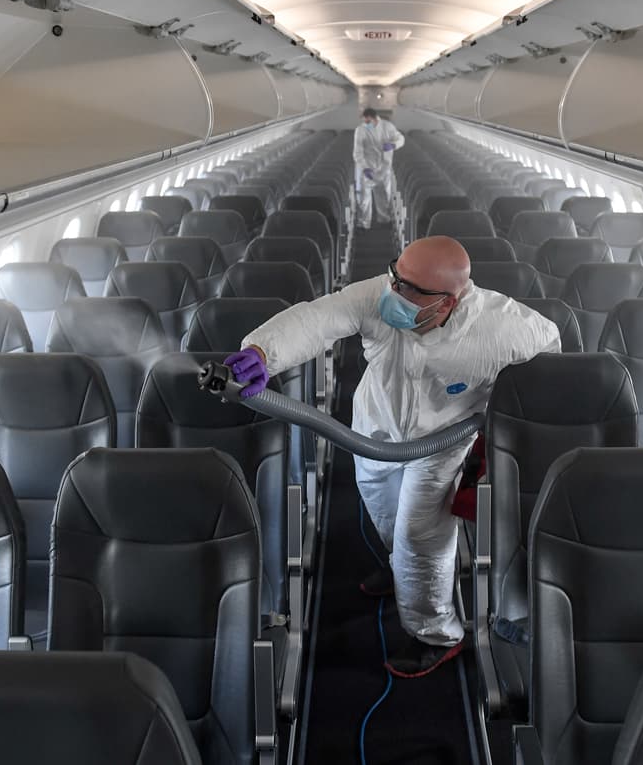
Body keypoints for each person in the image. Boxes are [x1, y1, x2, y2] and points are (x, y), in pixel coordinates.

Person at [224, 236, 560, 678]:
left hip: (440, 447)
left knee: (420, 538)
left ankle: (436, 634)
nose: (395, 294)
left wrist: (500, 424)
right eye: (395, 277)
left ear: (450, 301)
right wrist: (263, 352)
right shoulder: (381, 296)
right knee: (382, 511)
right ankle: (401, 569)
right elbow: (317, 318)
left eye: (410, 290)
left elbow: (550, 356)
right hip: (375, 429)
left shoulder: (505, 329)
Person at [352, 108, 404, 230]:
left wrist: (393, 145)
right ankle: (365, 224)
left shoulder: (388, 126)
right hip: (367, 167)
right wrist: (365, 168)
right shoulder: (360, 130)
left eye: (368, 121)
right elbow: (357, 152)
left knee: (384, 196)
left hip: (384, 167)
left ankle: (384, 221)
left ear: (375, 119)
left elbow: (401, 139)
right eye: (365, 122)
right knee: (364, 199)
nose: (366, 124)